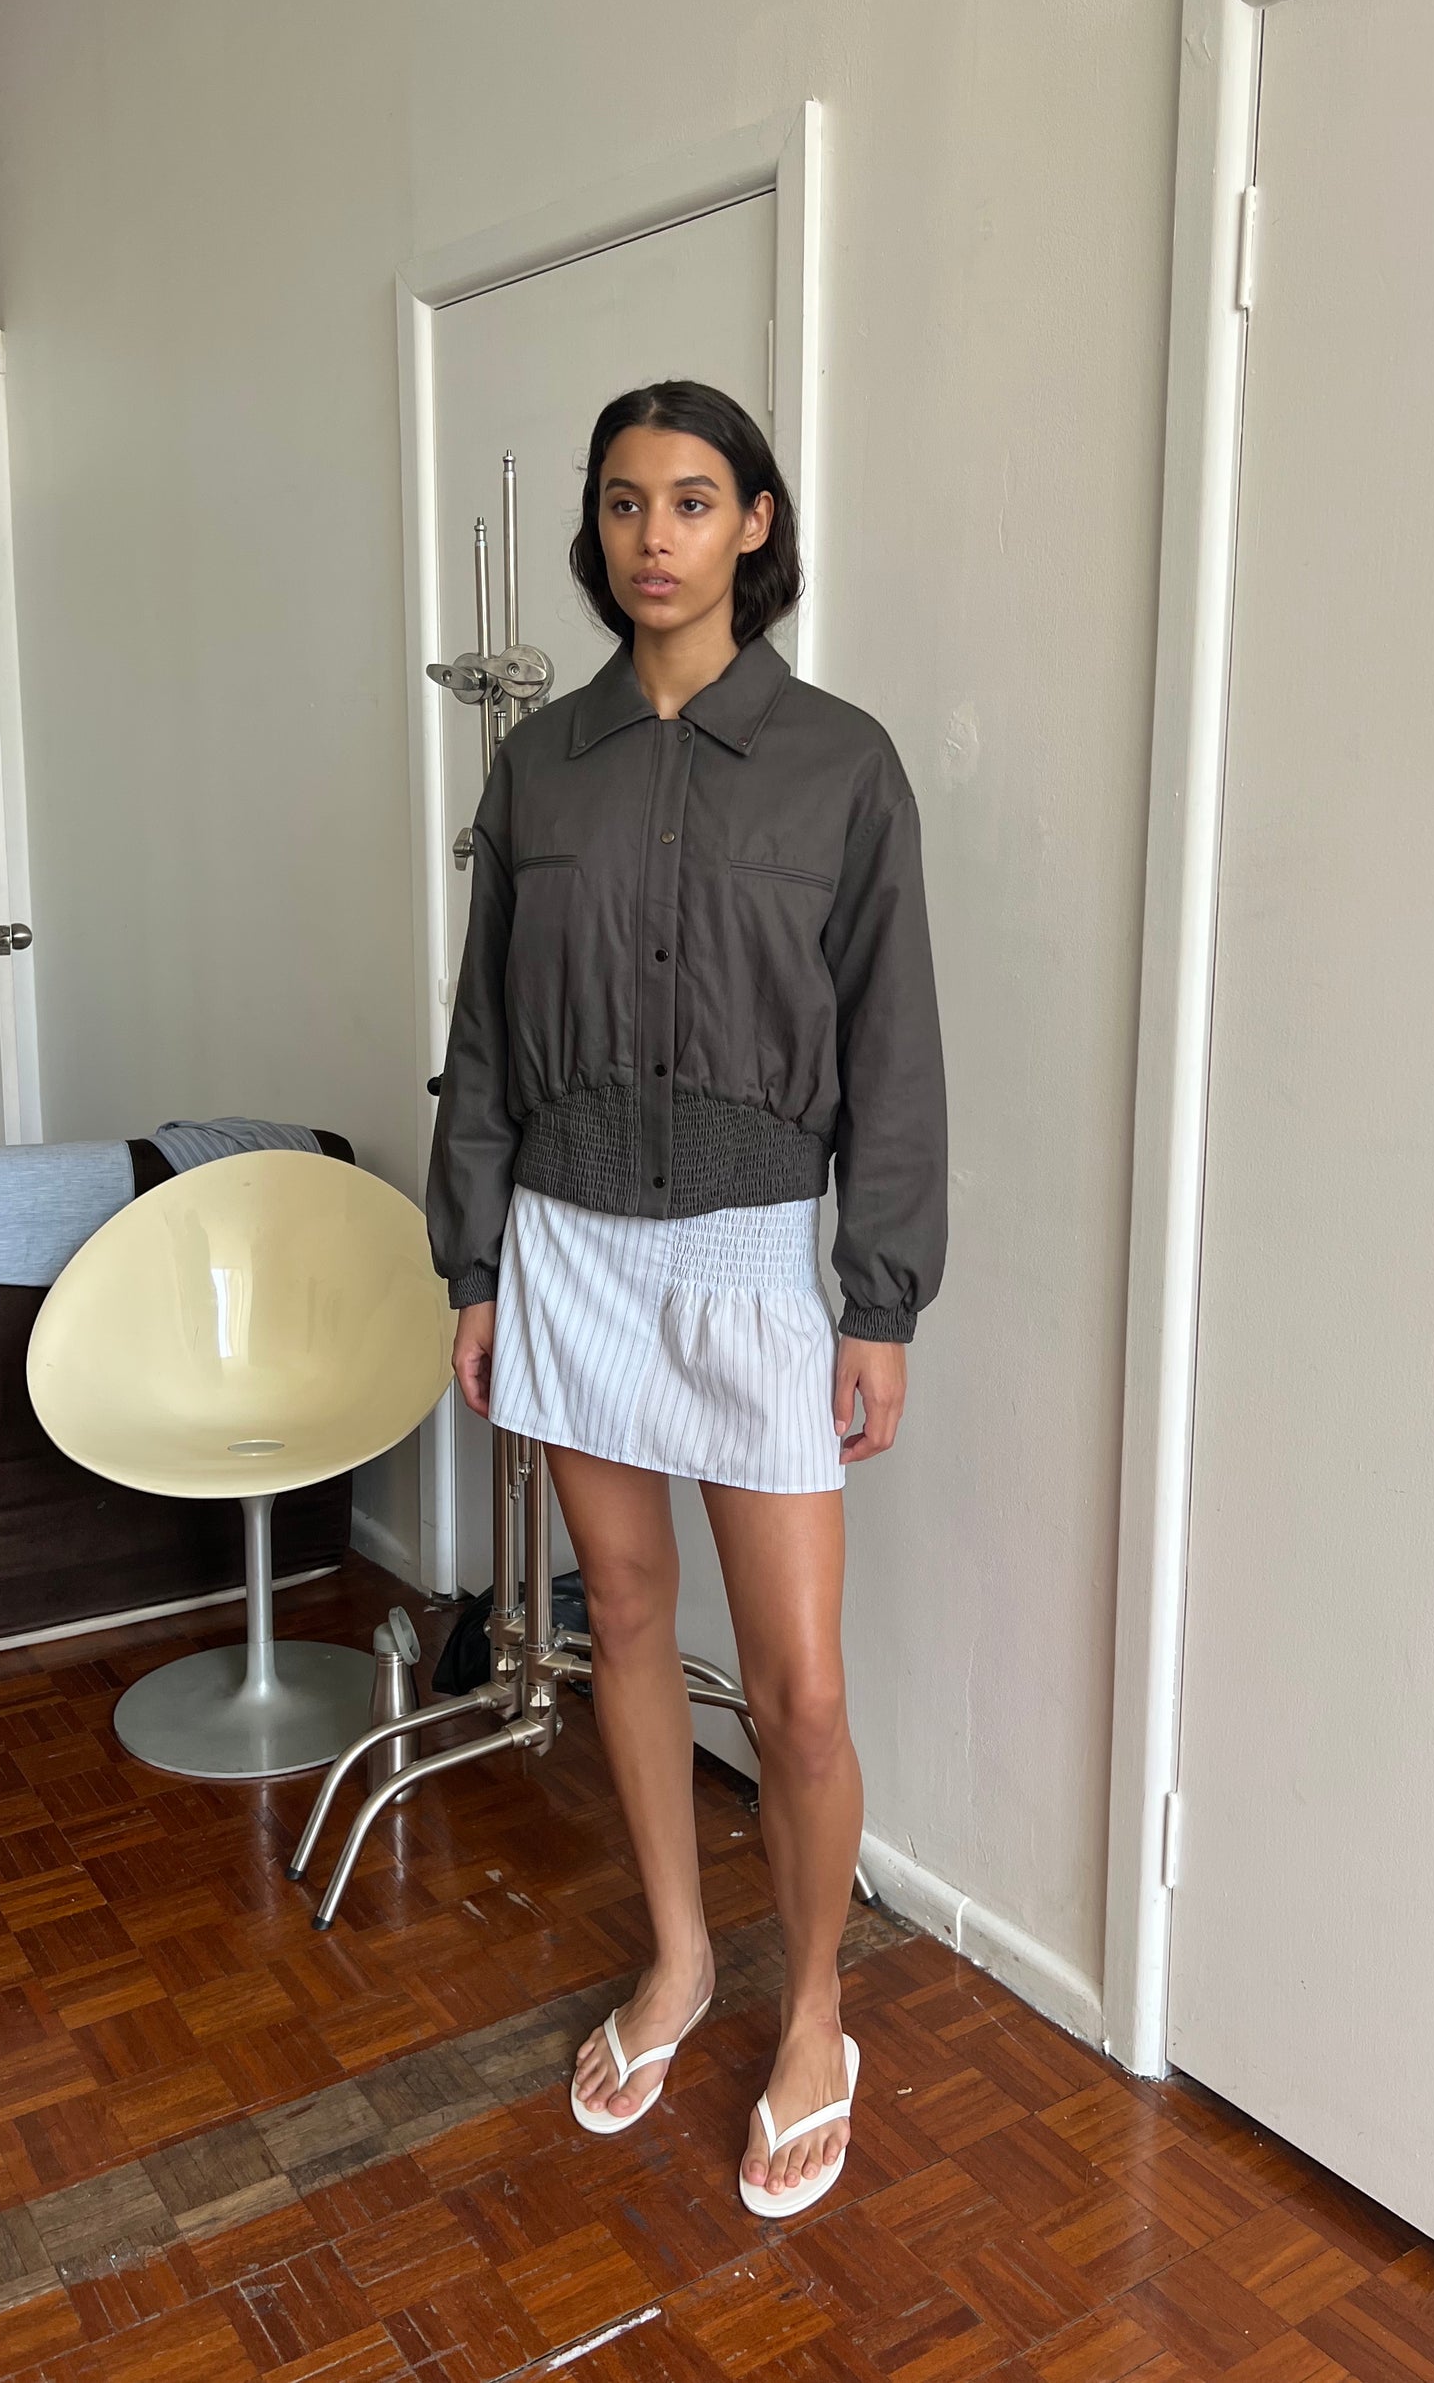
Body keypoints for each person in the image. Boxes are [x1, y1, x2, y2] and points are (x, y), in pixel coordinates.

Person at [425, 378, 947, 2219]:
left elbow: (894, 1047)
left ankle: (814, 2010)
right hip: (565, 1240)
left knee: (798, 1693)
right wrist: (471, 1264)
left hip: (748, 1258)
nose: (656, 532)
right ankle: (680, 1957)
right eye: (626, 501)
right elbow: (483, 1035)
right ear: (599, 529)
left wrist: (876, 1301)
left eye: (694, 498)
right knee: (621, 1620)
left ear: (754, 526)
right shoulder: (538, 765)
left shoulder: (839, 764)